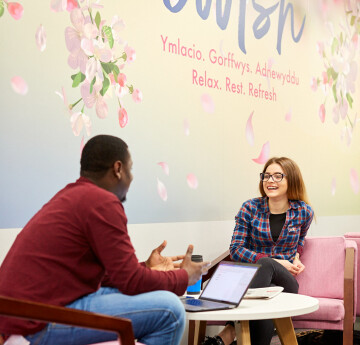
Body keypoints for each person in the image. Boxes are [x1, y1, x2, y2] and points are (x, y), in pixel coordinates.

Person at [0, 134, 210, 345]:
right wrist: (184, 276)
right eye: (131, 168)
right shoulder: (102, 202)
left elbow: (114, 278)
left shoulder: (73, 195)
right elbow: (131, 281)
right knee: (171, 311)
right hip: (36, 322)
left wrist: (146, 267)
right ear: (118, 169)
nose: (132, 177)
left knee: (118, 291)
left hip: (19, 314)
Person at [202, 157, 314, 345]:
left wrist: (296, 256)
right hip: (252, 281)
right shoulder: (250, 208)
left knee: (265, 264)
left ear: (292, 179)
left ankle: (228, 334)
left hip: (285, 281)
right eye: (267, 176)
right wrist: (276, 260)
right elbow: (236, 249)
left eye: (278, 176)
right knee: (265, 286)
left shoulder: (304, 212)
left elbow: (300, 240)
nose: (270, 181)